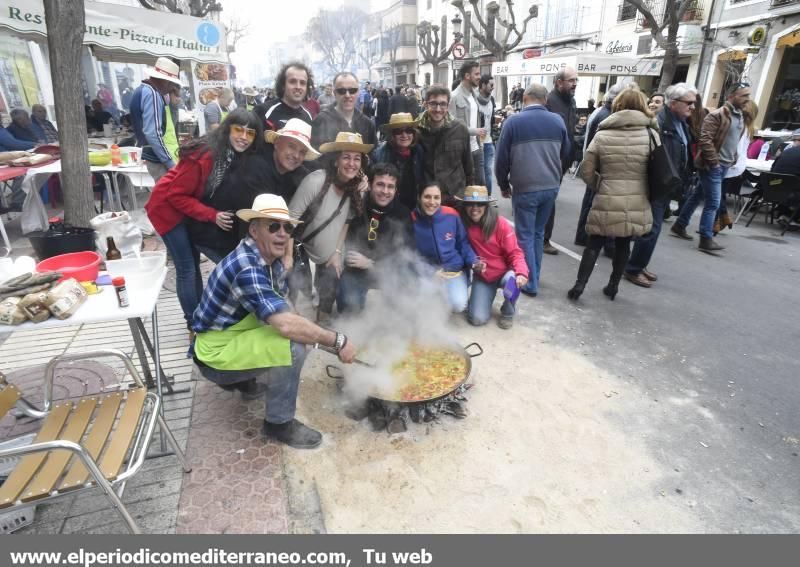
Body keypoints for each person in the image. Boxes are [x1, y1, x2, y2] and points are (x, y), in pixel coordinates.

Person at [192, 193, 357, 449]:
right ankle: (278, 424)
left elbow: (285, 306)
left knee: (295, 334)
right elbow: (286, 326)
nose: (282, 233)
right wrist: (337, 340)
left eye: (287, 227)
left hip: (230, 337)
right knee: (292, 347)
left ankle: (244, 381)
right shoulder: (248, 267)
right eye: (273, 226)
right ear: (254, 230)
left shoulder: (270, 261)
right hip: (214, 355)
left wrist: (312, 334)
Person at [144, 109, 263, 327]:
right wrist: (212, 215)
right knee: (187, 267)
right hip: (167, 209)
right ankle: (194, 324)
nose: (244, 137)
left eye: (250, 133)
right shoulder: (205, 154)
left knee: (192, 265)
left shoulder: (230, 153)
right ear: (228, 129)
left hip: (186, 208)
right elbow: (176, 194)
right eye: (239, 130)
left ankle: (200, 317)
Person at [568, 87, 655, 302]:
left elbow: (586, 170)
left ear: (617, 105)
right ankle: (613, 286)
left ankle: (580, 285)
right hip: (637, 196)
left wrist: (602, 185)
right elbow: (657, 169)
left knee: (594, 242)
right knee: (624, 243)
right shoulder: (651, 135)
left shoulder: (603, 133)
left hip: (606, 194)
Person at [495, 83, 569, 297]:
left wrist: (503, 184)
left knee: (525, 235)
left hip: (526, 187)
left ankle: (529, 281)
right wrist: (556, 176)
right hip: (550, 186)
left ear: (525, 98)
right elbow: (566, 153)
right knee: (537, 234)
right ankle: (534, 273)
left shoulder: (513, 122)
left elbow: (502, 159)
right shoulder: (558, 121)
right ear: (545, 100)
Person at [289, 132, 371, 323]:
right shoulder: (315, 181)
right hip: (299, 249)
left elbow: (347, 223)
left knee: (332, 280)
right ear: (336, 160)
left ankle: (322, 322)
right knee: (299, 296)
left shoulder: (356, 188)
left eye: (356, 158)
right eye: (346, 157)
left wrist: (336, 252)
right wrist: (286, 257)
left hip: (329, 252)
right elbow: (289, 221)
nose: (352, 163)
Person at [624, 83, 697, 288]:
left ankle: (639, 263)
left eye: (694, 103)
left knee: (652, 228)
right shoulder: (660, 122)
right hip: (658, 184)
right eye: (689, 103)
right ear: (674, 103)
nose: (692, 107)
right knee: (651, 229)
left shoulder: (680, 122)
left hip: (669, 183)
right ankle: (633, 268)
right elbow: (650, 155)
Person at [670, 82, 751, 253]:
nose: (747, 99)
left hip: (725, 165)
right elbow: (705, 140)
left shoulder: (741, 116)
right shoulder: (717, 115)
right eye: (743, 95)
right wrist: (714, 162)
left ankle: (680, 225)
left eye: (748, 95)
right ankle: (706, 238)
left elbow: (734, 140)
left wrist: (733, 157)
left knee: (697, 195)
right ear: (731, 97)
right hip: (713, 165)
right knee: (713, 202)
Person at [337, 163, 413, 313]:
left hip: (387, 270)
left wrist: (371, 263)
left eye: (390, 186)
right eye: (380, 184)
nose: (385, 191)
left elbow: (405, 252)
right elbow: (351, 248)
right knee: (348, 308)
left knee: (403, 306)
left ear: (396, 190)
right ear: (370, 185)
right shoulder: (358, 205)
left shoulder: (402, 213)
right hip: (357, 270)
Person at [458, 186, 527, 329]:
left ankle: (508, 311)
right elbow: (464, 249)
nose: (474, 208)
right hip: (483, 277)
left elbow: (515, 252)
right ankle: (481, 300)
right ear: (465, 206)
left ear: (486, 205)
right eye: (470, 204)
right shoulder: (463, 224)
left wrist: (521, 272)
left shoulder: (500, 223)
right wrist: (474, 263)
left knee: (513, 282)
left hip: (504, 273)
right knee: (476, 319)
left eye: (480, 204)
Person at [574, 82, 630, 247]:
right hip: (600, 167)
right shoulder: (607, 116)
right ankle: (590, 238)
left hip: (597, 166)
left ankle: (585, 237)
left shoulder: (603, 113)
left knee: (591, 203)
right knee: (594, 204)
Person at [411, 183, 479, 313]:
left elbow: (463, 243)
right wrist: (430, 272)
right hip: (429, 271)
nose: (432, 202)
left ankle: (454, 288)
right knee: (418, 304)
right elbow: (411, 254)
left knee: (458, 305)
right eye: (427, 197)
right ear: (419, 197)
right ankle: (437, 293)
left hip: (453, 271)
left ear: (441, 199)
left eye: (436, 197)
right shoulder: (412, 219)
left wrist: (474, 261)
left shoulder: (451, 215)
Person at [417, 85, 473, 204]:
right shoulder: (416, 130)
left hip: (454, 197)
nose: (438, 109)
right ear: (426, 104)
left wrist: (465, 195)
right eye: (433, 104)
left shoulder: (460, 128)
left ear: (448, 106)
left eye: (442, 104)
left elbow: (468, 166)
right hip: (426, 198)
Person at [130, 56, 182, 182]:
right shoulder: (152, 94)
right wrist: (170, 163)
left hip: (153, 154)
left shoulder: (141, 90)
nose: (171, 88)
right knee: (168, 197)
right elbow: (152, 133)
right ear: (165, 81)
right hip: (158, 158)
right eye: (171, 84)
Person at [544, 66, 578, 255]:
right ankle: (544, 239)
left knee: (550, 198)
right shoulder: (549, 101)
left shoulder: (571, 101)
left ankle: (542, 237)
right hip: (551, 160)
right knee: (548, 199)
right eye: (571, 80)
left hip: (563, 160)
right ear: (559, 83)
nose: (574, 84)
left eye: (575, 81)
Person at [311, 72, 377, 164]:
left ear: (358, 92)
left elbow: (372, 156)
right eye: (342, 91)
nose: (347, 95)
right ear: (334, 93)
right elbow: (313, 157)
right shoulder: (321, 120)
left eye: (352, 90)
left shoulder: (367, 124)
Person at [371, 113, 425, 211]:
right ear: (392, 135)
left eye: (409, 130)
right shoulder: (379, 153)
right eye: (398, 131)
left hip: (412, 207)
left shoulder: (418, 151)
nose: (404, 135)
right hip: (387, 207)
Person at [261, 118, 319, 203]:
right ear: (277, 143)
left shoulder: (303, 177)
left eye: (302, 152)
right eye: (292, 146)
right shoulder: (256, 169)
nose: (296, 155)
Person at [450, 61, 486, 185]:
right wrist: (473, 131)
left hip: (477, 147)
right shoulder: (454, 96)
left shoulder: (474, 94)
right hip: (463, 151)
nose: (479, 77)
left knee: (480, 185)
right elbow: (452, 125)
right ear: (467, 76)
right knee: (466, 186)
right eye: (476, 74)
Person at [255, 62, 314, 132]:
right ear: (283, 85)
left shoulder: (308, 116)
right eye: (292, 81)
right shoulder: (263, 111)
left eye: (302, 83)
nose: (298, 87)